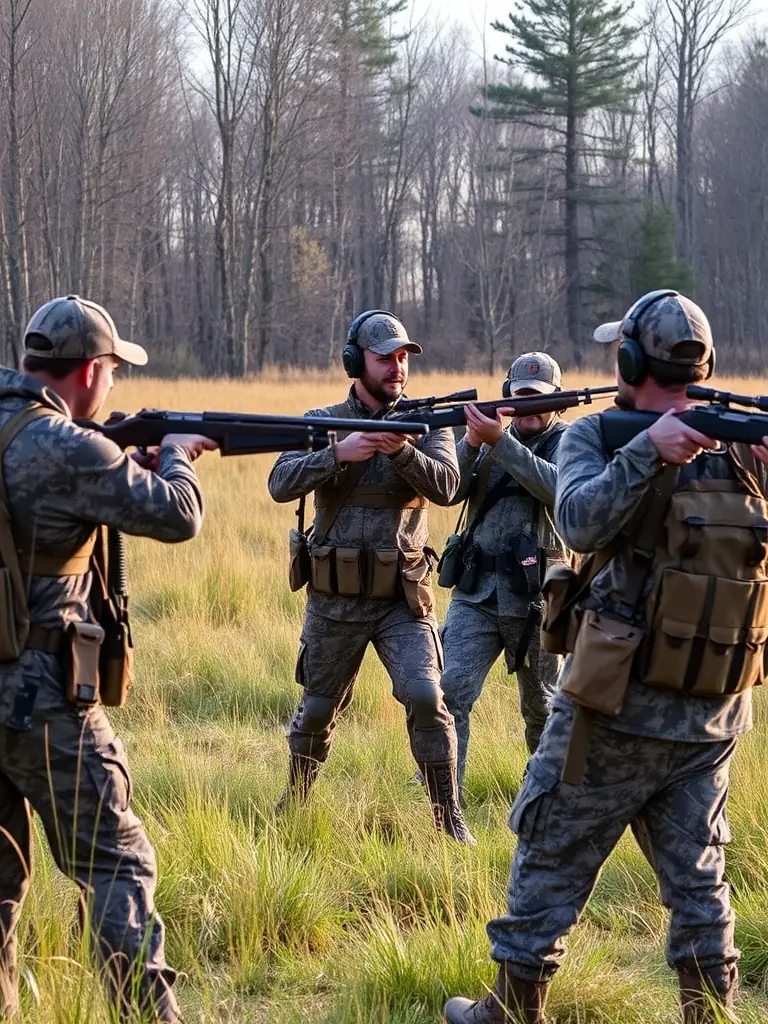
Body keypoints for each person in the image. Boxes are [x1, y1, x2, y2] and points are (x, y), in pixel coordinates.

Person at [444, 289, 768, 1023]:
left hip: (617, 707)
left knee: (551, 843)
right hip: (711, 709)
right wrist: (650, 450)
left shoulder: (717, 441)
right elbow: (582, 520)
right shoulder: (622, 436)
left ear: (625, 358)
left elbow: (579, 522)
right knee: (700, 875)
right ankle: (709, 1012)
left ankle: (509, 1010)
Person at [0, 295, 216, 1022]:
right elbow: (177, 516)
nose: (114, 385)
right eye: (113, 372)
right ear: (90, 372)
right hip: (41, 700)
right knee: (116, 863)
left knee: (0, 880)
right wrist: (179, 460)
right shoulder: (68, 448)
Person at [268, 310, 474, 844]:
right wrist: (338, 454)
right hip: (334, 600)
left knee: (428, 697)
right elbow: (279, 481)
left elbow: (450, 486)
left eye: (404, 357)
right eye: (386, 358)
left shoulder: (432, 422)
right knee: (316, 710)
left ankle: (448, 818)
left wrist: (402, 452)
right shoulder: (323, 419)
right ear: (356, 362)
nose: (397, 367)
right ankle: (295, 803)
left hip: (400, 599)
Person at [437, 353, 568, 797]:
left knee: (543, 710)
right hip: (476, 593)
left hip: (540, 600)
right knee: (449, 693)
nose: (528, 408)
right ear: (507, 396)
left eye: (538, 400)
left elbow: (558, 489)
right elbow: (449, 488)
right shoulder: (487, 439)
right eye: (521, 399)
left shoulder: (571, 443)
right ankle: (444, 803)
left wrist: (501, 442)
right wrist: (473, 442)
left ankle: (545, 804)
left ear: (558, 402)